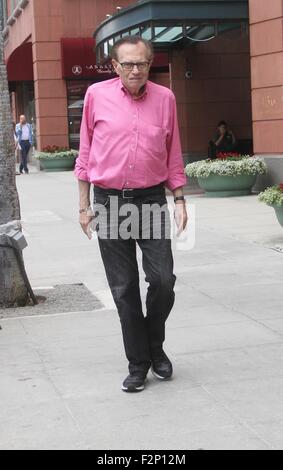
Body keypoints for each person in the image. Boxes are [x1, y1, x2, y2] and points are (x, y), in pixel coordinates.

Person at [75, 36, 188, 393]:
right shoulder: (97, 95)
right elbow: (86, 152)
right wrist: (83, 205)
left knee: (164, 280)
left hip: (152, 199)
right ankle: (139, 363)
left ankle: (153, 344)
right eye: (127, 64)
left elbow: (173, 153)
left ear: (150, 63)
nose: (135, 70)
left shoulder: (165, 98)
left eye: (141, 63)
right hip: (109, 202)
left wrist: (180, 199)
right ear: (115, 66)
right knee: (124, 290)